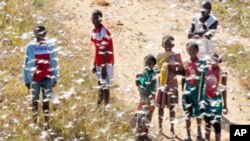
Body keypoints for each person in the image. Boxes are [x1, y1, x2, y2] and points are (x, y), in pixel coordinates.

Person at [23, 25, 59, 129]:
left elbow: (54, 61)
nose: (39, 34)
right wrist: (26, 79)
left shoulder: (50, 46)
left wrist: (55, 76)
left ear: (45, 33)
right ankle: (34, 123)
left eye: (41, 32)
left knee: (46, 101)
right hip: (34, 78)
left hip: (47, 77)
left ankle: (47, 124)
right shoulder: (30, 46)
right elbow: (26, 63)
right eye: (36, 32)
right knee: (34, 100)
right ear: (34, 33)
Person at [155, 35, 185, 137]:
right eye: (165, 43)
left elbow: (182, 71)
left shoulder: (177, 55)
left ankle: (172, 128)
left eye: (169, 43)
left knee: (172, 107)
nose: (167, 45)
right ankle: (160, 127)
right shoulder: (159, 56)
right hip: (162, 84)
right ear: (162, 44)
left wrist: (176, 66)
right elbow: (156, 70)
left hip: (172, 84)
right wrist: (163, 68)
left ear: (173, 44)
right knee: (161, 107)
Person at [182, 42, 206, 141]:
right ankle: (188, 136)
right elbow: (184, 77)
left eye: (193, 50)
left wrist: (201, 94)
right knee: (187, 113)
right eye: (189, 50)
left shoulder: (201, 63)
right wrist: (182, 90)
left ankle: (199, 131)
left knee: (198, 113)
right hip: (187, 91)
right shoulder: (186, 62)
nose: (191, 52)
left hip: (197, 92)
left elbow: (203, 79)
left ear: (197, 51)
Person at [90, 10, 114, 107]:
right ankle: (99, 105)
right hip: (99, 62)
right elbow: (97, 48)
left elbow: (106, 49)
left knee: (105, 86)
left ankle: (106, 107)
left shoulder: (104, 31)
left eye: (97, 18)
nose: (95, 20)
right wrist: (95, 63)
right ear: (91, 19)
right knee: (100, 84)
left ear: (101, 19)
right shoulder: (94, 31)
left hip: (106, 62)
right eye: (93, 17)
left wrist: (104, 67)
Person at [202, 52, 228, 141]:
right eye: (211, 59)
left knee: (216, 124)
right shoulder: (205, 69)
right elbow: (202, 84)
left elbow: (223, 89)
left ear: (219, 61)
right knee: (207, 123)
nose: (213, 62)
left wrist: (225, 105)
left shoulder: (222, 72)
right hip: (206, 99)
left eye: (215, 60)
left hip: (216, 101)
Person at [135, 54, 157, 121]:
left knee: (144, 120)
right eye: (146, 63)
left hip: (148, 102)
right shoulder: (144, 73)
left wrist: (149, 83)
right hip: (142, 101)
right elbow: (137, 84)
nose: (147, 65)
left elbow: (147, 93)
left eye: (150, 63)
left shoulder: (153, 76)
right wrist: (137, 78)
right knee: (136, 119)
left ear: (154, 65)